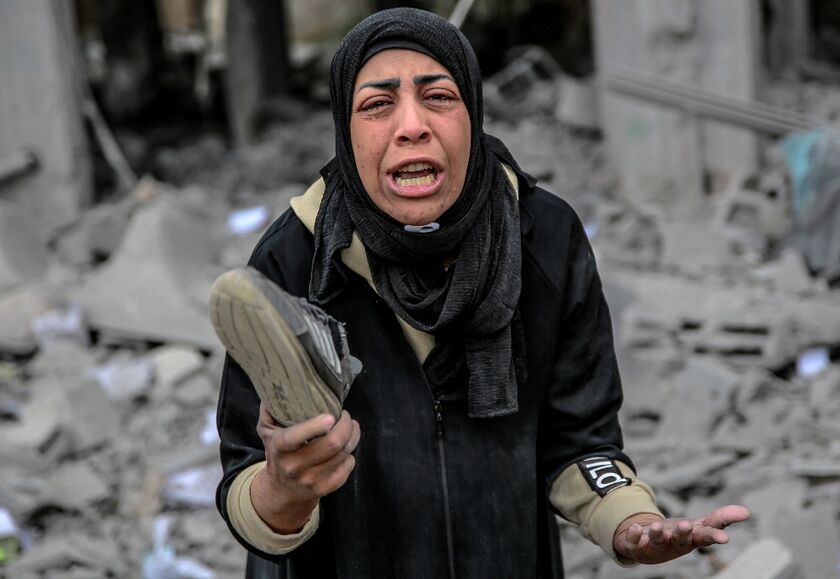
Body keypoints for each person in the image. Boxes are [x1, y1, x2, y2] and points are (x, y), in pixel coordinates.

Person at [215, 7, 750, 578]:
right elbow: (246, 483)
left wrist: (629, 521)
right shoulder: (294, 259)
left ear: (473, 112)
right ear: (345, 133)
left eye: (439, 97)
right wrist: (286, 488)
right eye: (377, 104)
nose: (411, 125)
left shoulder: (543, 240)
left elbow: (581, 438)